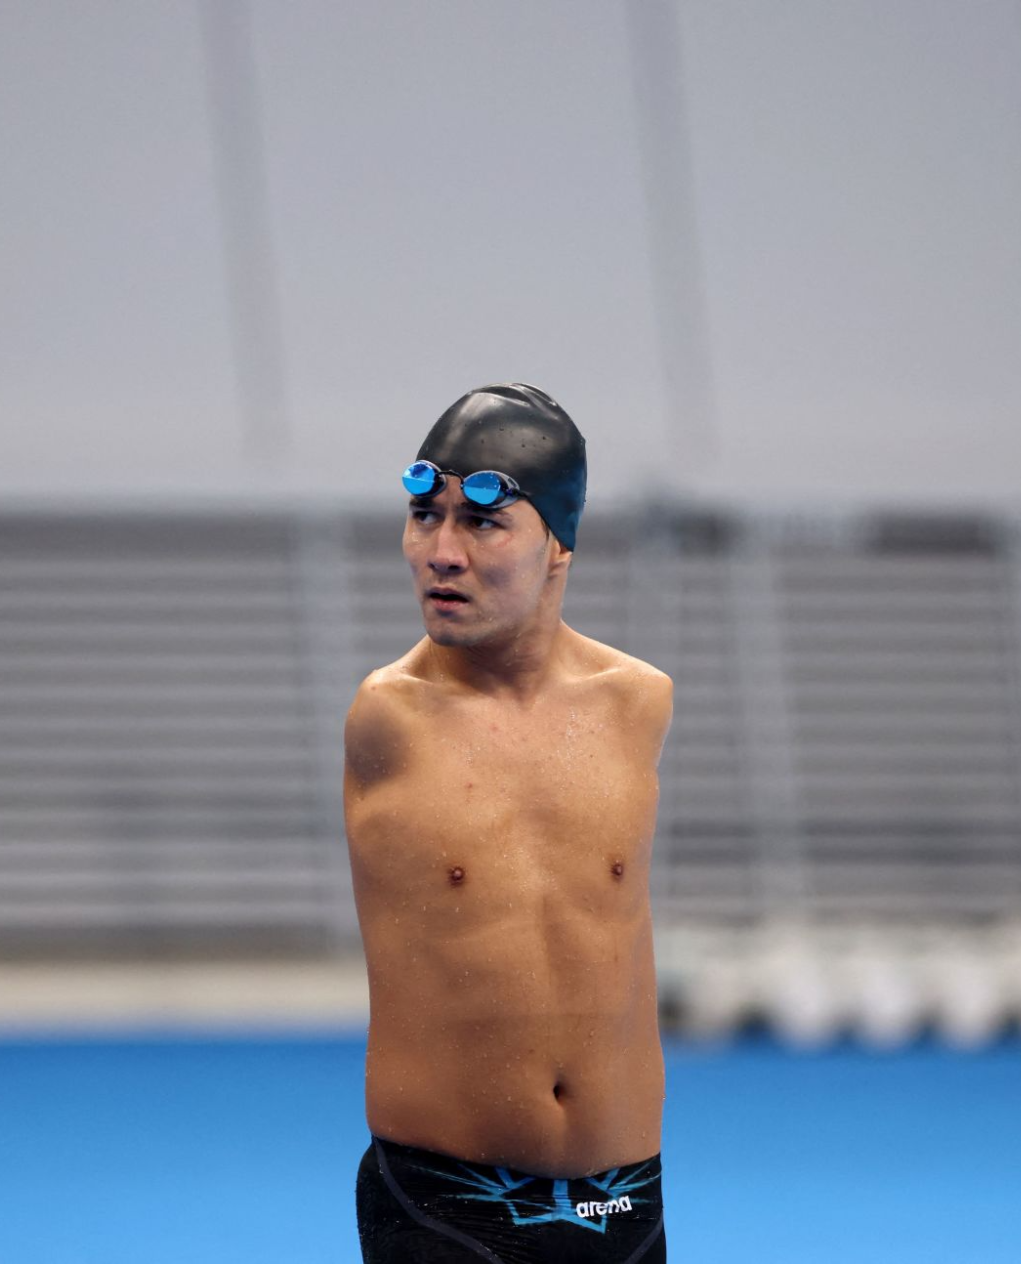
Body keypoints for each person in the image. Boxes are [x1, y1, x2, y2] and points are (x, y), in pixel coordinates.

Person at [344, 384, 672, 1263]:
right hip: (448, 1210)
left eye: (482, 523)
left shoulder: (638, 705)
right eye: (424, 515)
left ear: (559, 543)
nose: (440, 553)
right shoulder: (389, 718)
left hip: (627, 1207)